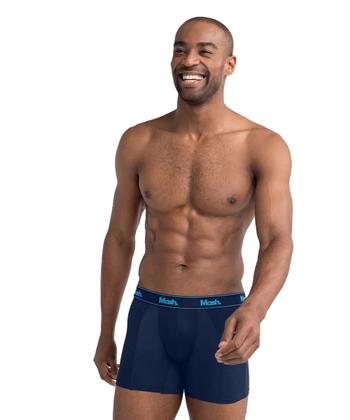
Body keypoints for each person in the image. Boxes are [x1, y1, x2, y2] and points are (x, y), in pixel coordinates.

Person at [94, 16, 294, 420]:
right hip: (150, 316)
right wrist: (106, 330)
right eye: (180, 50)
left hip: (221, 319)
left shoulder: (262, 145)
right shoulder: (139, 140)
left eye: (205, 51)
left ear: (229, 64)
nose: (189, 60)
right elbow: (119, 239)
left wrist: (255, 310)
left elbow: (277, 240)